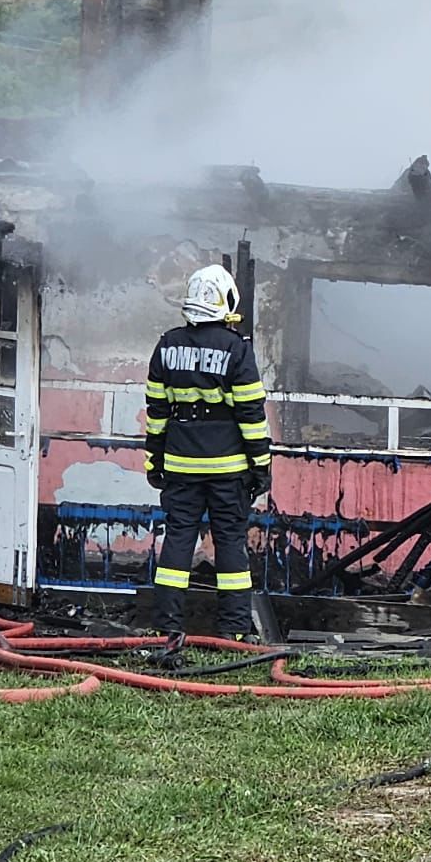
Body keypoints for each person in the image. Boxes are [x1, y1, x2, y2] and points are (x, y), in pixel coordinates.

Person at [143, 264, 271, 648]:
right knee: (230, 541)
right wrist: (261, 465)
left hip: (179, 464)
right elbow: (251, 414)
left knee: (178, 539)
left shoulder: (167, 346)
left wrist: (154, 461)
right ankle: (233, 629)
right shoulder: (237, 349)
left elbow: (157, 413)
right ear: (224, 301)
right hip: (228, 468)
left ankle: (167, 626)